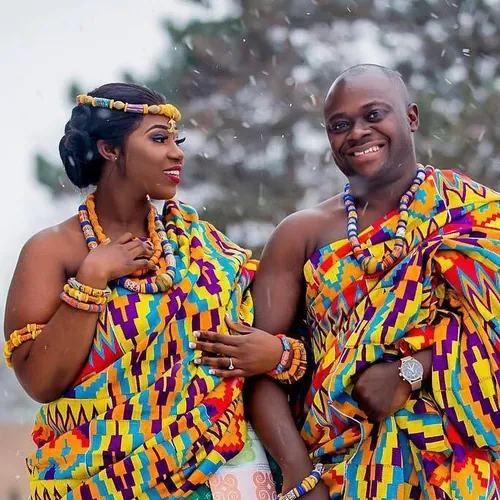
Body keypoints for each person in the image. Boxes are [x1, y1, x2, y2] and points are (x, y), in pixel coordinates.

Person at [192, 65, 500, 499]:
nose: (357, 133)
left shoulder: (474, 212)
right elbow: (258, 370)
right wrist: (302, 478)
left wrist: (412, 370)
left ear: (411, 117)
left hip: (466, 469)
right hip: (342, 470)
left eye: (373, 115)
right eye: (340, 125)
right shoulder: (300, 234)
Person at [3, 83, 281, 499]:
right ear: (109, 149)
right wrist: (92, 279)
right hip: (102, 476)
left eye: (176, 141)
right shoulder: (52, 251)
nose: (177, 154)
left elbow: (265, 327)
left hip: (224, 465)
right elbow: (40, 382)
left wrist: (279, 354)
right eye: (159, 139)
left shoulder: (199, 245)